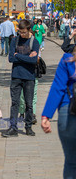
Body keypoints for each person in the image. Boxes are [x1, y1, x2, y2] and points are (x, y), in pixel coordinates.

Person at [41, 48, 76, 178]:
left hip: (69, 111)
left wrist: (46, 115)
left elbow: (58, 87)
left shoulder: (68, 59)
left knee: (71, 162)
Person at [2, 19, 39, 137]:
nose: (21, 34)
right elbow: (11, 59)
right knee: (15, 103)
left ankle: (28, 127)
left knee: (29, 104)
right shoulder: (15, 40)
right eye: (20, 32)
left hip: (29, 76)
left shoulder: (34, 42)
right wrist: (27, 56)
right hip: (16, 76)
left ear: (29, 30)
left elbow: (34, 61)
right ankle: (13, 128)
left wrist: (18, 56)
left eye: (23, 32)